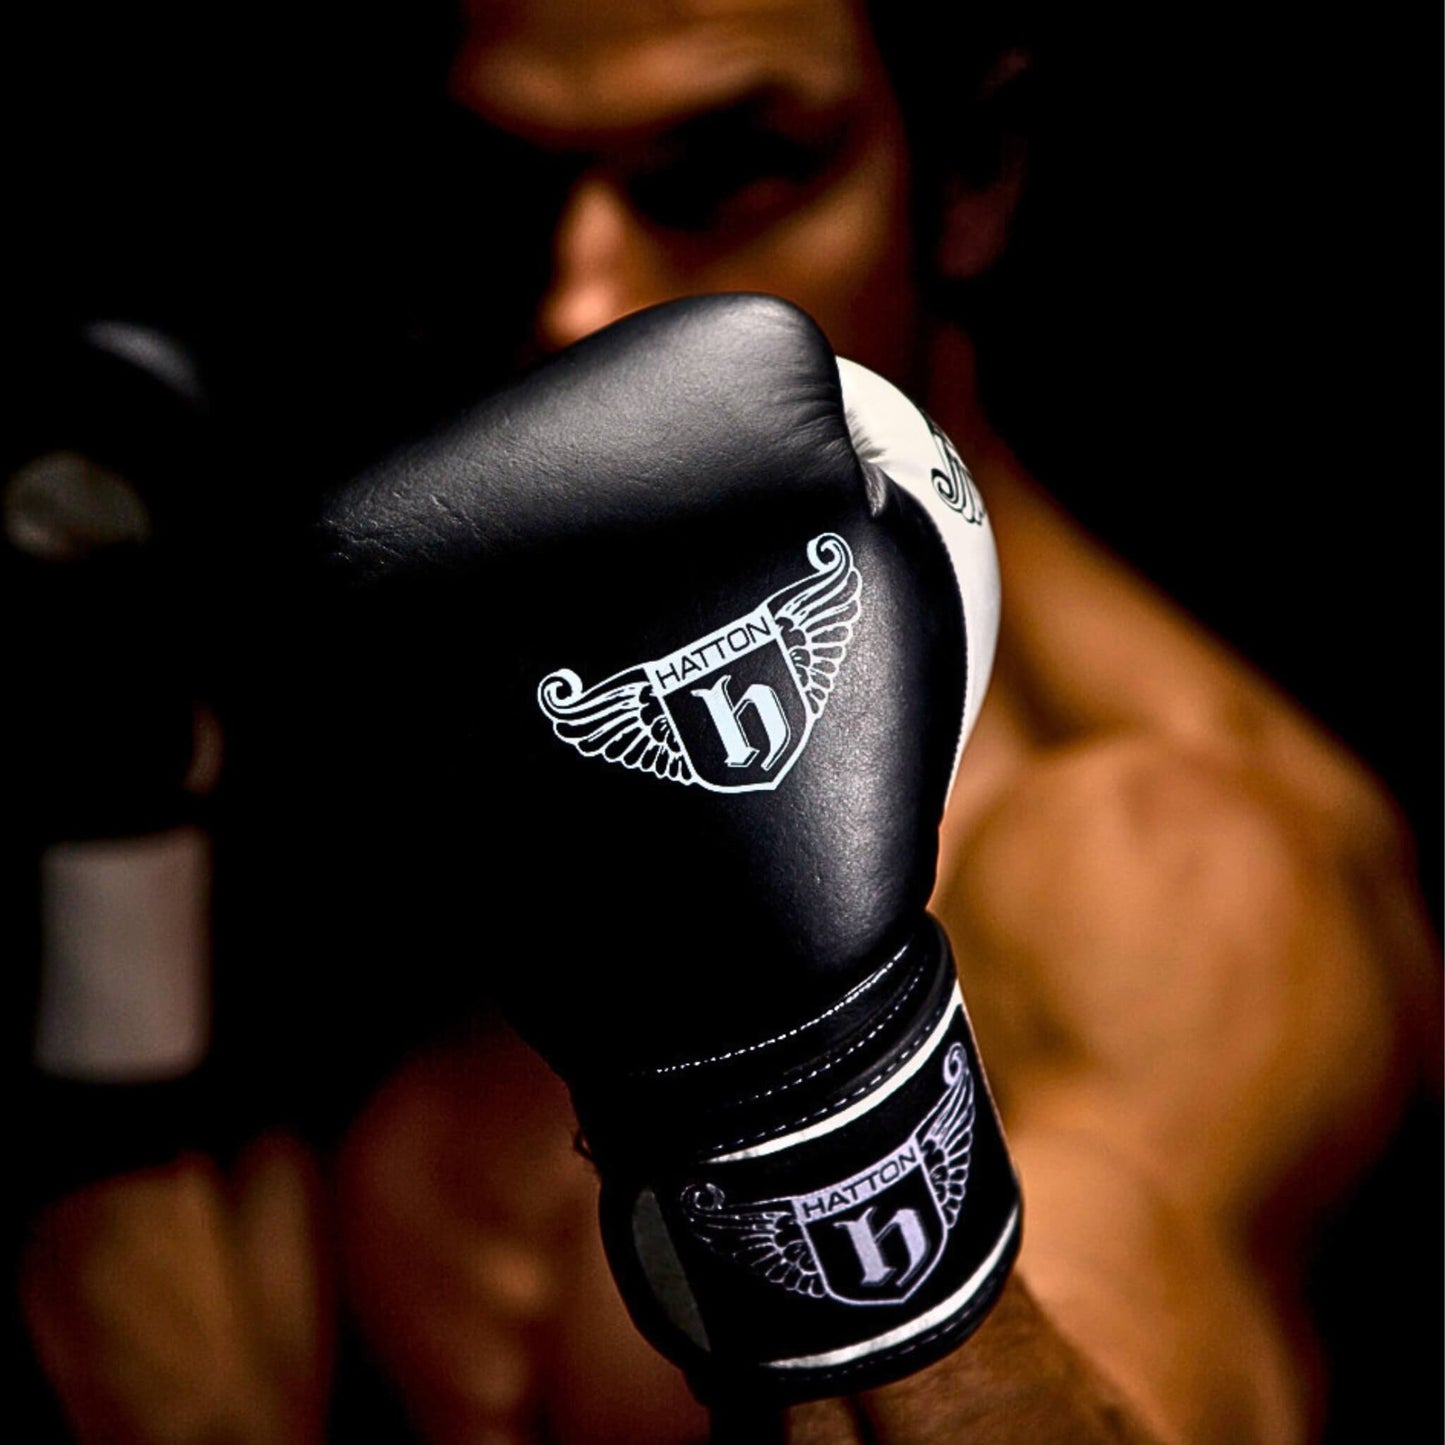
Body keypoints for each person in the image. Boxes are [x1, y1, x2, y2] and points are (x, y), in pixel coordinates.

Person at [16, 1, 1440, 1442]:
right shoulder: (422, 750)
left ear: (970, 177)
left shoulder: (1177, 861)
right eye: (508, 188)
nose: (580, 301)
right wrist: (108, 820)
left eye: (724, 178)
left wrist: (826, 1061)